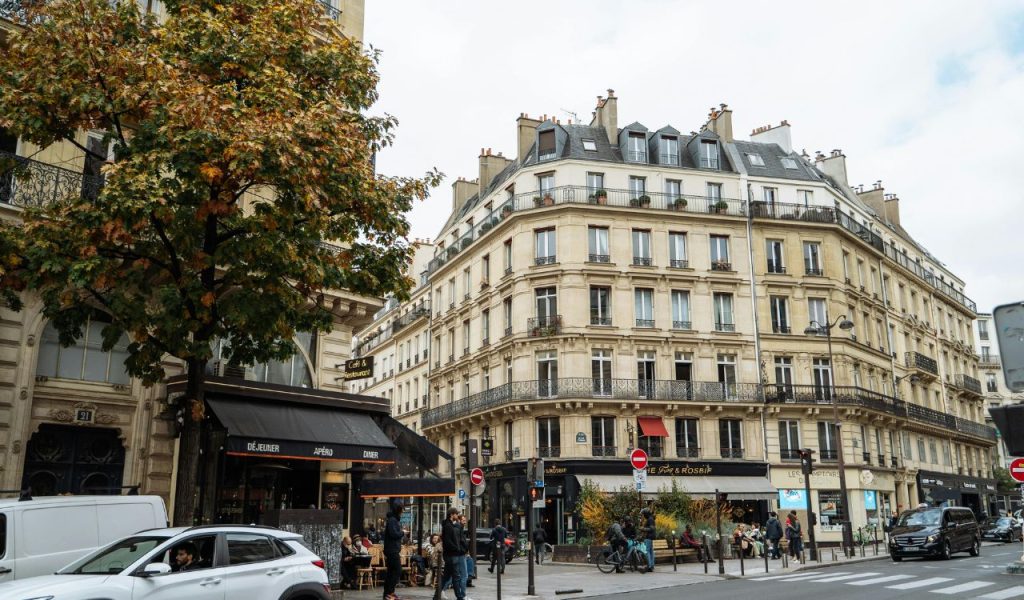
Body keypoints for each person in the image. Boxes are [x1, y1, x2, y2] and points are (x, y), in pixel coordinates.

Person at [441, 508, 469, 600]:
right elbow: (448, 541)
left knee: (446, 577)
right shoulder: (449, 526)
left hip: (451, 554)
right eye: (456, 514)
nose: (457, 516)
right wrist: (456, 548)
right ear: (452, 515)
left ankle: (436, 596)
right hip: (452, 555)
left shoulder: (449, 525)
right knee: (456, 577)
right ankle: (460, 597)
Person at [382, 500, 405, 600]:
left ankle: (387, 594)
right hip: (392, 550)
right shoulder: (392, 520)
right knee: (397, 570)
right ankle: (389, 592)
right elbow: (394, 534)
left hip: (392, 549)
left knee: (391, 572)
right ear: (398, 510)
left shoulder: (393, 520)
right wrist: (402, 532)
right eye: (402, 509)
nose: (403, 511)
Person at [641, 508, 656, 572]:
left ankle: (649, 566)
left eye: (644, 514)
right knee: (651, 551)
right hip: (651, 537)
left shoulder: (650, 519)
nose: (643, 516)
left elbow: (651, 529)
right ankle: (651, 565)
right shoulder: (651, 519)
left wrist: (643, 529)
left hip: (649, 537)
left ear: (646, 514)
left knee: (647, 551)